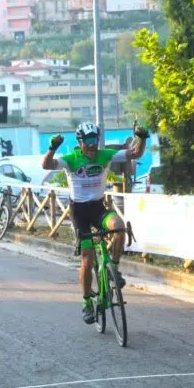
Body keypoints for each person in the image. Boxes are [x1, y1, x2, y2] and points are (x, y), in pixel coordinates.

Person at [41, 122, 148, 324]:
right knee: (87, 257)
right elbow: (46, 165)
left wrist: (142, 138)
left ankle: (114, 270)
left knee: (119, 227)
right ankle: (86, 302)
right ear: (80, 142)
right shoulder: (72, 159)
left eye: (95, 140)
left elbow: (135, 154)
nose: (92, 145)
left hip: (98, 208)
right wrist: (52, 149)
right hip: (79, 212)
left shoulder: (105, 155)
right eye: (88, 141)